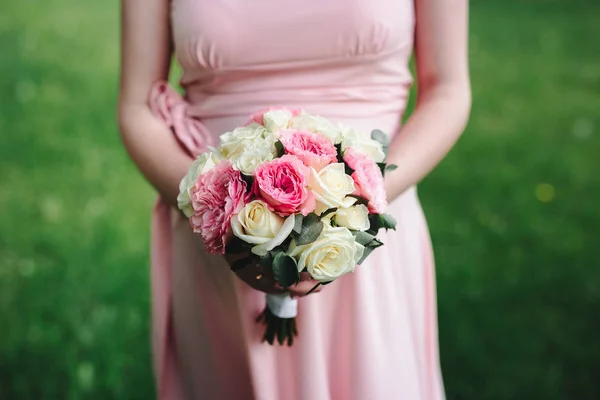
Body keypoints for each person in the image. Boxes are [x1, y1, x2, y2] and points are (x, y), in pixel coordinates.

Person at [117, 0, 471, 399]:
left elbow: (447, 89)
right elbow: (137, 107)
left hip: (368, 242)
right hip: (217, 244)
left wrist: (354, 205)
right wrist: (219, 209)